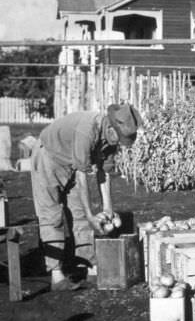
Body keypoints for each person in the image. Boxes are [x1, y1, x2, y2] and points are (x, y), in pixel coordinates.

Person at [30, 103, 139, 289]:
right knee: (52, 215)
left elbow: (104, 173)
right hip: (49, 157)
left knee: (78, 213)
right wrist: (92, 216)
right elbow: (82, 176)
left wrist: (108, 208)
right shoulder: (87, 131)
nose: (119, 143)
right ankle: (56, 275)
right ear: (111, 128)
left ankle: (89, 266)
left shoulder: (111, 139)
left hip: (71, 164)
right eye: (119, 138)